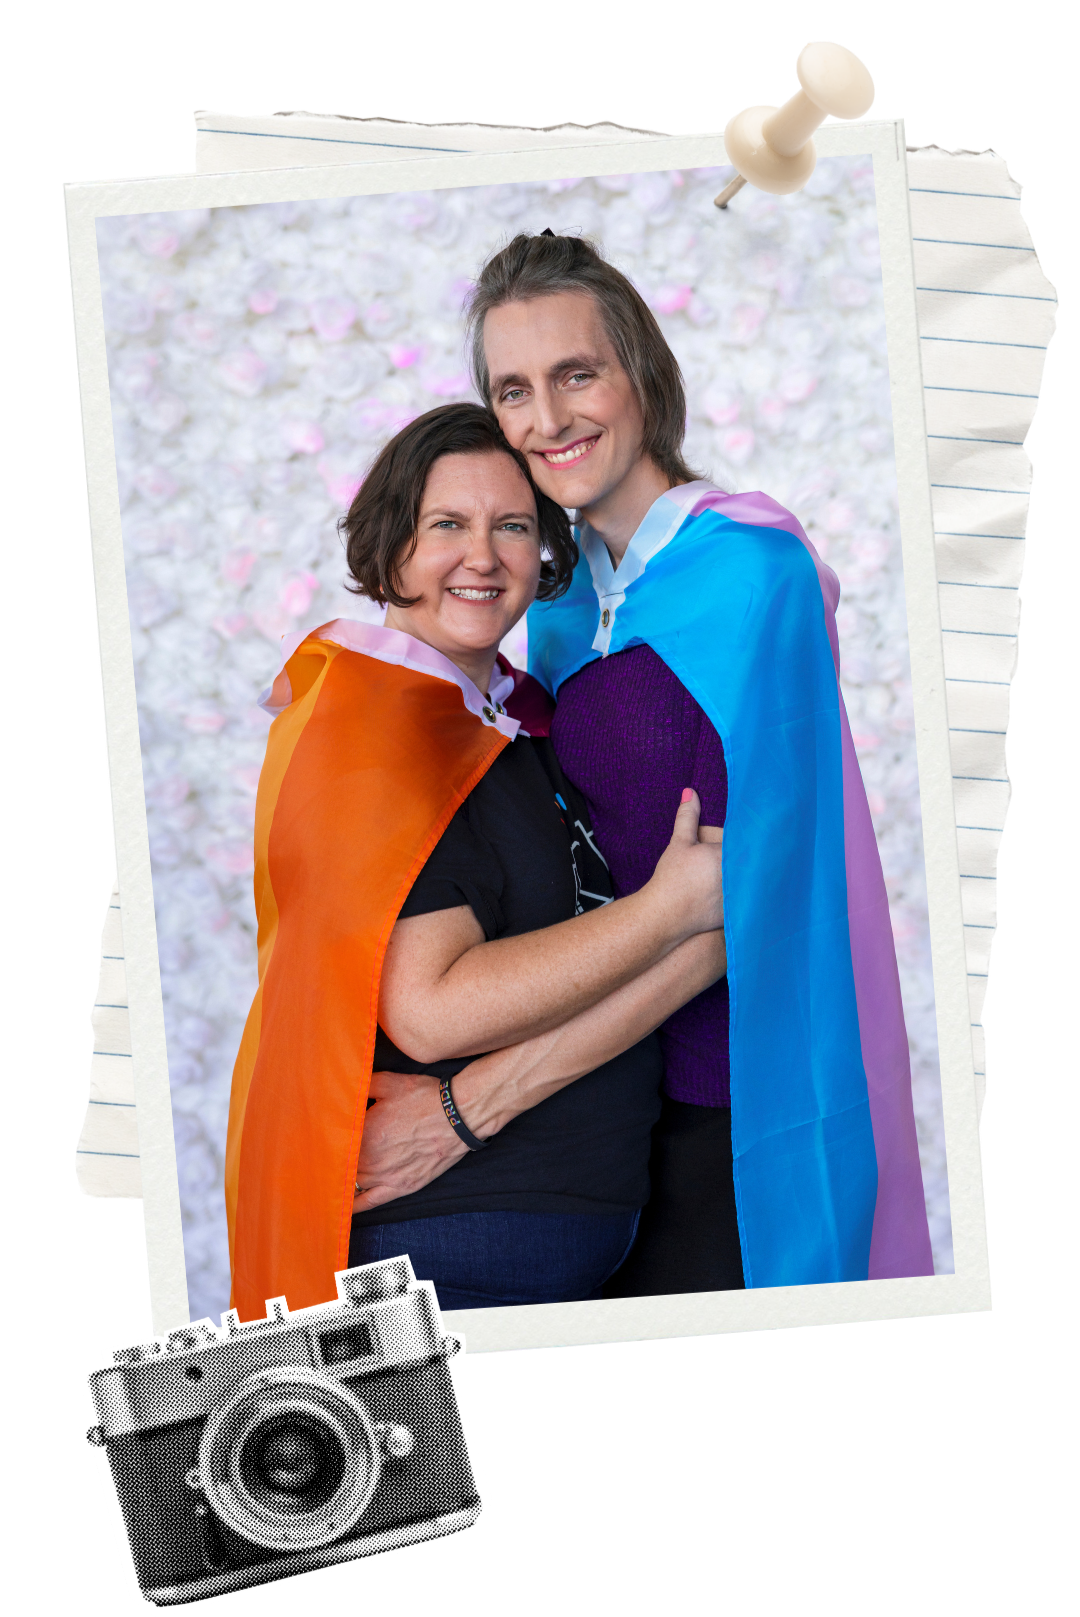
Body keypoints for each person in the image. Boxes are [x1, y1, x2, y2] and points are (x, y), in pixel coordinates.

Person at [356, 231, 935, 1293]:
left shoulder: (759, 573)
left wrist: (470, 1105)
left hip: (734, 1092)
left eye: (578, 373)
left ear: (641, 375)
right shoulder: (559, 602)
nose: (550, 418)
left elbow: (740, 894)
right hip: (604, 1110)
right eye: (515, 390)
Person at [225, 403, 727, 1321]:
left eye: (514, 526)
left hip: (583, 1234)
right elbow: (431, 1011)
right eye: (447, 524)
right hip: (452, 1252)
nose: (484, 556)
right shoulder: (378, 732)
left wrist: (697, 923)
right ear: (391, 544)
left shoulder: (511, 720)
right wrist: (671, 913)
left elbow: (662, 933)